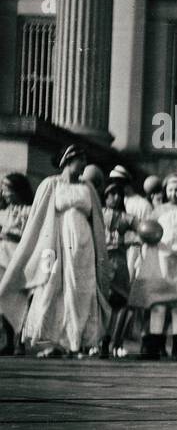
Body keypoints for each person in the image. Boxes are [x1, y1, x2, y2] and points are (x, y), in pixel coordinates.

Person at [0, 145, 110, 357]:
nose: (84, 164)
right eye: (81, 159)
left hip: (83, 244)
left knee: (80, 289)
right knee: (52, 286)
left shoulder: (88, 189)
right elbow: (37, 220)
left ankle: (76, 341)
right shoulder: (51, 184)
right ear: (68, 160)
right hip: (56, 243)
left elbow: (96, 220)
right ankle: (52, 343)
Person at [129, 173, 177, 361]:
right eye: (170, 189)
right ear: (165, 191)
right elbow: (146, 233)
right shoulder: (158, 211)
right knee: (158, 304)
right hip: (160, 260)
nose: (174, 193)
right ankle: (154, 346)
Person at [101, 181, 139, 358]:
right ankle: (100, 342)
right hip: (101, 260)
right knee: (101, 300)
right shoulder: (97, 214)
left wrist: (132, 239)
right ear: (105, 195)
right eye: (112, 193)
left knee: (121, 301)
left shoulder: (128, 217)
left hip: (120, 260)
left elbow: (143, 230)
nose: (116, 197)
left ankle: (116, 342)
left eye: (119, 194)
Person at [0, 173, 36, 355]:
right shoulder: (3, 212)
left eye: (7, 189)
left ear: (17, 191)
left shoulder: (30, 211)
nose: (4, 193)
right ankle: (8, 339)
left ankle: (19, 341)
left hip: (20, 256)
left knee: (22, 299)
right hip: (2, 256)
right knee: (4, 297)